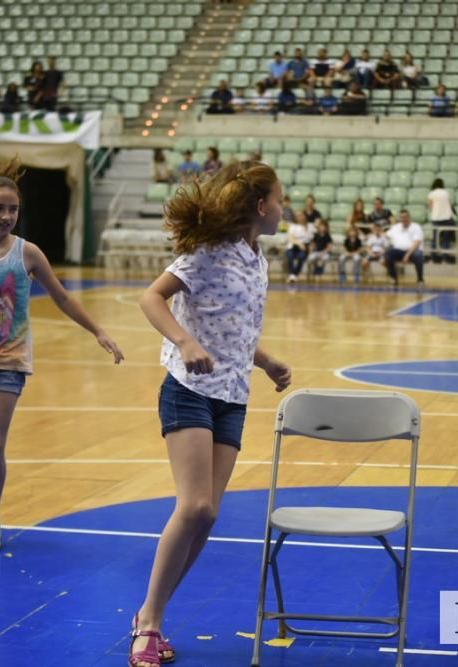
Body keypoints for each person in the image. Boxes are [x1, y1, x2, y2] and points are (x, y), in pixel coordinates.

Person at [130, 160, 291, 667]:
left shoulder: (257, 259)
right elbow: (151, 298)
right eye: (280, 199)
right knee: (195, 506)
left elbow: (233, 325)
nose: (284, 207)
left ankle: (149, 615)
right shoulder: (206, 253)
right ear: (261, 206)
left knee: (210, 513)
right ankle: (148, 625)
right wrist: (183, 340)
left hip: (234, 395)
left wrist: (264, 361)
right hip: (188, 387)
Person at [0, 159, 124, 553]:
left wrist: (99, 331)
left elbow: (63, 297)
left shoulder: (28, 253)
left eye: (13, 209)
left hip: (9, 364)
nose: (7, 215)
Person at [384, 209, 425, 289]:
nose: (404, 219)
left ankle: (420, 279)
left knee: (418, 255)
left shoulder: (416, 227)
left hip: (412, 251)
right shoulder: (396, 227)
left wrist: (407, 254)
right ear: (400, 218)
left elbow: (417, 243)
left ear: (409, 217)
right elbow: (385, 235)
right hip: (399, 250)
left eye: (405, 217)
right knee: (388, 254)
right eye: (402, 217)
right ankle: (394, 278)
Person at [427, 178, 455, 262]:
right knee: (446, 238)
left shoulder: (431, 193)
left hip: (436, 218)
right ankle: (445, 255)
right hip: (446, 217)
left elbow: (430, 206)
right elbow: (450, 204)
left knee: (435, 237)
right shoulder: (446, 193)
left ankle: (433, 255)